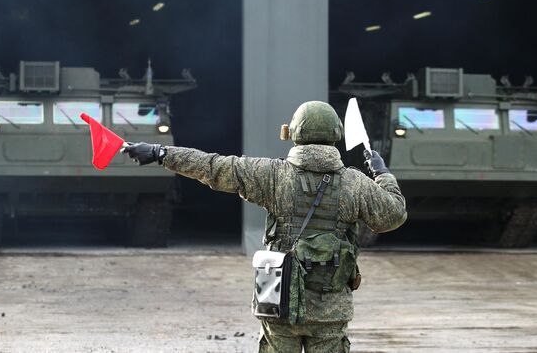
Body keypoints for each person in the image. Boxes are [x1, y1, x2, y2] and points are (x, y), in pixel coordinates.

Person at [123, 100, 407, 353]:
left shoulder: (271, 174)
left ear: (295, 134)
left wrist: (160, 152)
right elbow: (394, 214)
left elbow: (211, 166)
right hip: (329, 308)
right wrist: (382, 173)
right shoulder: (355, 183)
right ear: (335, 135)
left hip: (277, 299)